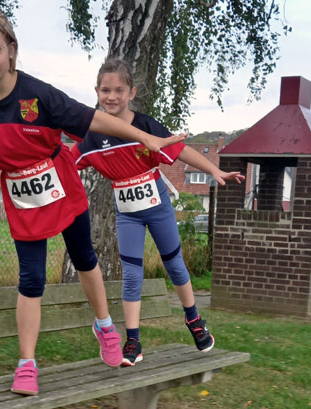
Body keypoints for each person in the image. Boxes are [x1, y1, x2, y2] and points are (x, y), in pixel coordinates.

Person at [0, 11, 186, 396]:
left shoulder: (38, 95)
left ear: (11, 50)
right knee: (31, 278)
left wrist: (144, 138)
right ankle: (26, 363)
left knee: (85, 258)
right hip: (23, 200)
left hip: (61, 185)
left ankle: (104, 325)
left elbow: (95, 119)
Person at [71, 59, 245, 367]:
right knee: (132, 276)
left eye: (119, 90)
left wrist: (215, 171)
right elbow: (64, 163)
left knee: (175, 266)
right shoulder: (91, 137)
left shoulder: (146, 126)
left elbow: (181, 150)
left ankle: (194, 320)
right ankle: (134, 341)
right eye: (105, 90)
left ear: (132, 92)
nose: (112, 97)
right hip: (127, 214)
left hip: (158, 207)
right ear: (96, 92)